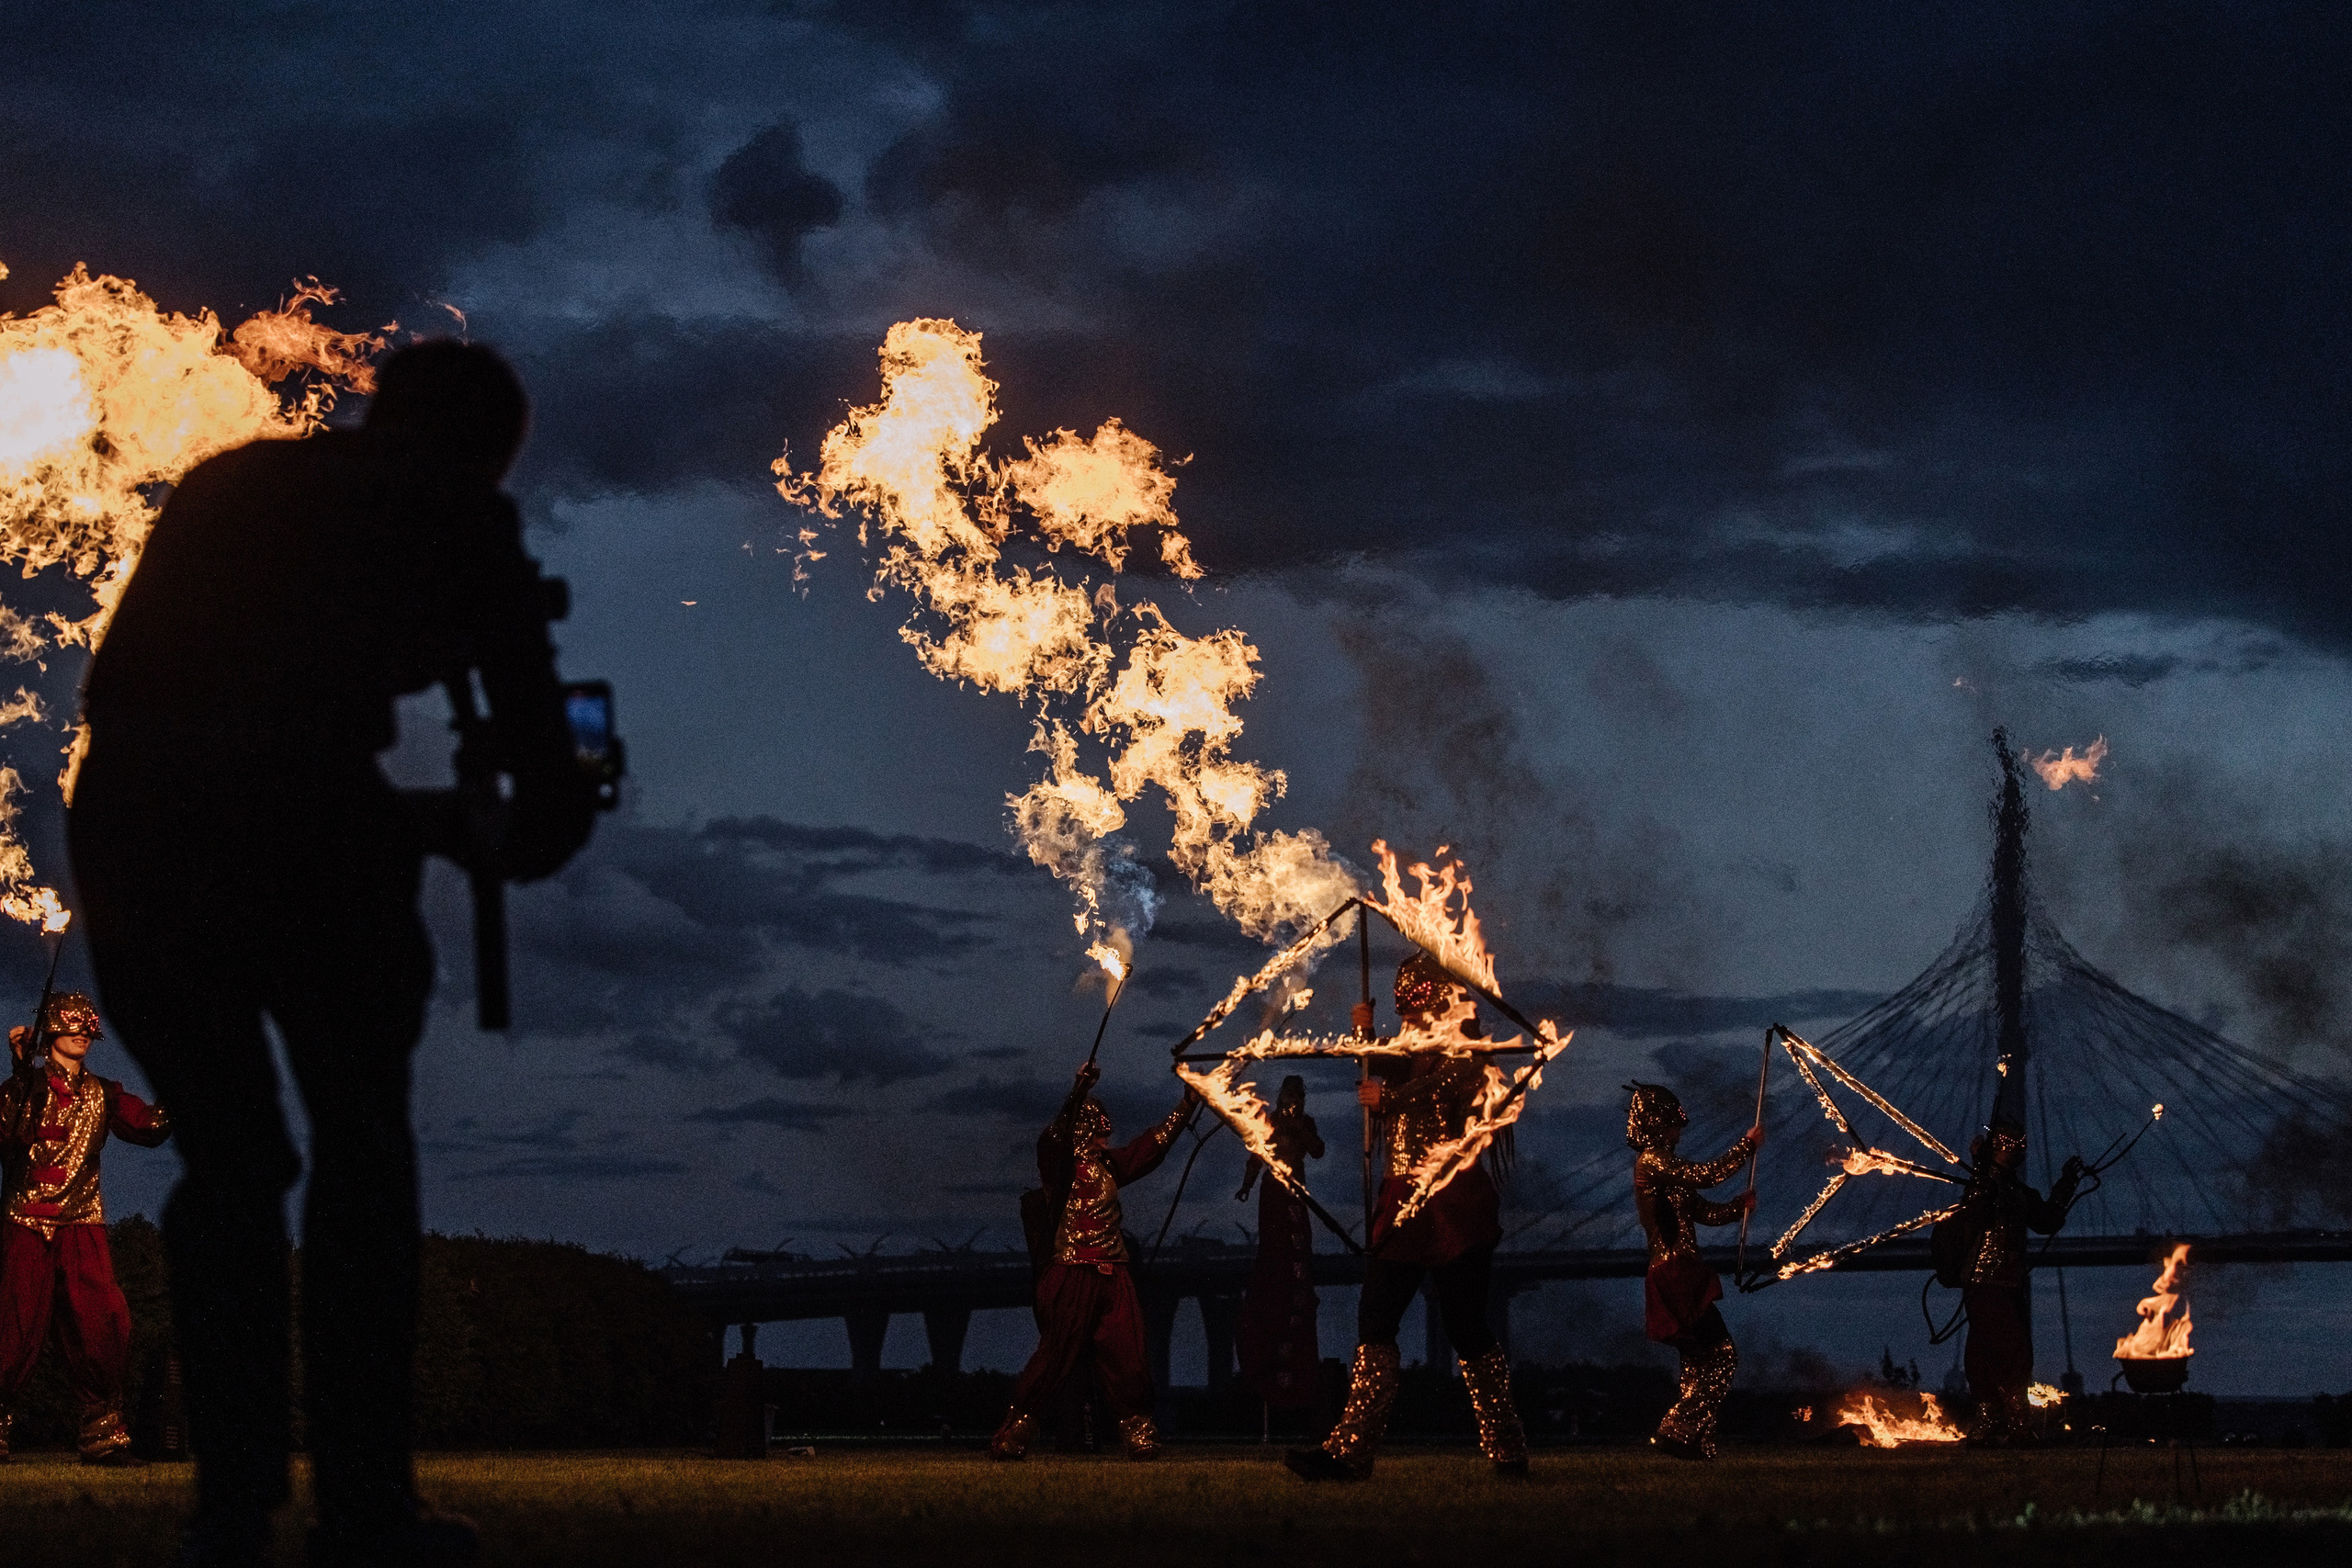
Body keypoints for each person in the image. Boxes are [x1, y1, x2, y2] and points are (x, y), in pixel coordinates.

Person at [69, 342, 596, 1565]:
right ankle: (362, 1498)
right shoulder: (454, 509)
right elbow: (526, 748)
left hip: (132, 821)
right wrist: (510, 827)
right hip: (272, 817)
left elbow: (219, 736)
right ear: (485, 446)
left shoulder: (230, 484)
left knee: (232, 1153)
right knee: (362, 1142)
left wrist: (397, 821)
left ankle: (232, 1503)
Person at [1287, 953, 1526, 1481]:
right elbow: (1378, 1069)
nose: (1409, 1023)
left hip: (1452, 1199)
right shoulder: (1408, 1050)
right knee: (1376, 1317)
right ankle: (1351, 1451)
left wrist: (1388, 1097)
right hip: (1402, 1198)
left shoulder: (1465, 1050)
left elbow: (1434, 1090)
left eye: (1414, 1011)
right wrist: (1363, 1037)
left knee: (1466, 1328)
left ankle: (1507, 1448)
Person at [989, 1062, 1197, 1461]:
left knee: (1129, 1355)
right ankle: (1016, 1431)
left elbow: (1149, 1148)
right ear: (1084, 1129)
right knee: (1056, 1355)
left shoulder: (1109, 1167)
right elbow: (1051, 1139)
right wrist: (1078, 1090)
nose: (1108, 1131)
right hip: (1072, 1271)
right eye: (1099, 1126)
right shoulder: (1059, 1168)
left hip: (1113, 1271)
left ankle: (1138, 1429)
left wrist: (1186, 1106)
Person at [0, 991, 171, 1464]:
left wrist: (184, 1085)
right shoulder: (22, 1088)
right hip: (25, 1219)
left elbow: (151, 1126)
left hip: (81, 1222)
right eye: (68, 1026)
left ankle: (102, 1440)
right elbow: (7, 1135)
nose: (79, 1034)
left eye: (85, 1028)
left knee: (102, 1322)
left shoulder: (105, 1093)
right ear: (49, 1032)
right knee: (11, 1328)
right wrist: (19, 1076)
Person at [1625, 1080, 1761, 1461]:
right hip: (1675, 1273)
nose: (1678, 1131)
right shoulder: (1653, 1162)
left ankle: (1698, 1442)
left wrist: (1738, 1206)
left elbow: (1705, 1212)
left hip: (1681, 1271)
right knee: (1723, 1356)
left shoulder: (1668, 1171)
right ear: (1656, 1125)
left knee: (1699, 1362)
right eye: (1672, 1124)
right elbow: (1706, 1175)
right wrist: (1745, 1147)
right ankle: (1676, 1429)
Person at [1953, 1116, 2081, 1446]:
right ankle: (2014, 1426)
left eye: (2021, 1142)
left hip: (2009, 1282)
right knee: (2009, 1352)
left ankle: (1991, 1428)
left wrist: (2067, 1183)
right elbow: (1975, 1208)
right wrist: (1980, 1166)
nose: (2019, 1148)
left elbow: (2046, 1220)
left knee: (1990, 1352)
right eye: (2012, 1142)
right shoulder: (1985, 1184)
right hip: (1984, 1280)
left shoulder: (2017, 1191)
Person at [1234, 1075, 1324, 1414]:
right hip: (1273, 1192)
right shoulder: (1268, 1122)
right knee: (1274, 1250)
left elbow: (1318, 1150)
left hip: (1296, 1192)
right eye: (1289, 1095)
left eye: (1298, 1096)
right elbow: (1256, 1157)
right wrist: (1246, 1186)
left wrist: (1302, 1130)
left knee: (1297, 1247)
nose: (1293, 1101)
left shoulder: (1306, 1123)